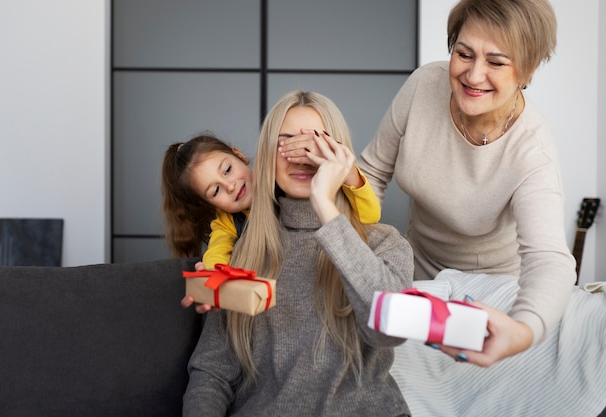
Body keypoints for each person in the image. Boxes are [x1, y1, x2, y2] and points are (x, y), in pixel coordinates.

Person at [281, 0, 576, 367]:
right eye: (464, 54)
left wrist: (524, 328)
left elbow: (549, 259)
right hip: (416, 278)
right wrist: (342, 174)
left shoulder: (533, 152)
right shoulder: (424, 85)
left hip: (490, 294)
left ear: (527, 71)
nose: (473, 75)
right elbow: (371, 175)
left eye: (496, 62)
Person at [181, 90, 414, 416]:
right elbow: (214, 371)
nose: (301, 156)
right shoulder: (242, 255)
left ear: (341, 155)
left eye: (316, 143)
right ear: (265, 156)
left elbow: (392, 329)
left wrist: (324, 203)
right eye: (286, 143)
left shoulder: (384, 244)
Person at [161, 133, 381, 272]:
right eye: (216, 190)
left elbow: (369, 216)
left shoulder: (287, 182)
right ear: (212, 205)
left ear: (239, 156)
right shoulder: (227, 222)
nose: (230, 186)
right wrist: (213, 273)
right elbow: (218, 252)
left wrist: (348, 172)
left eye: (227, 170)